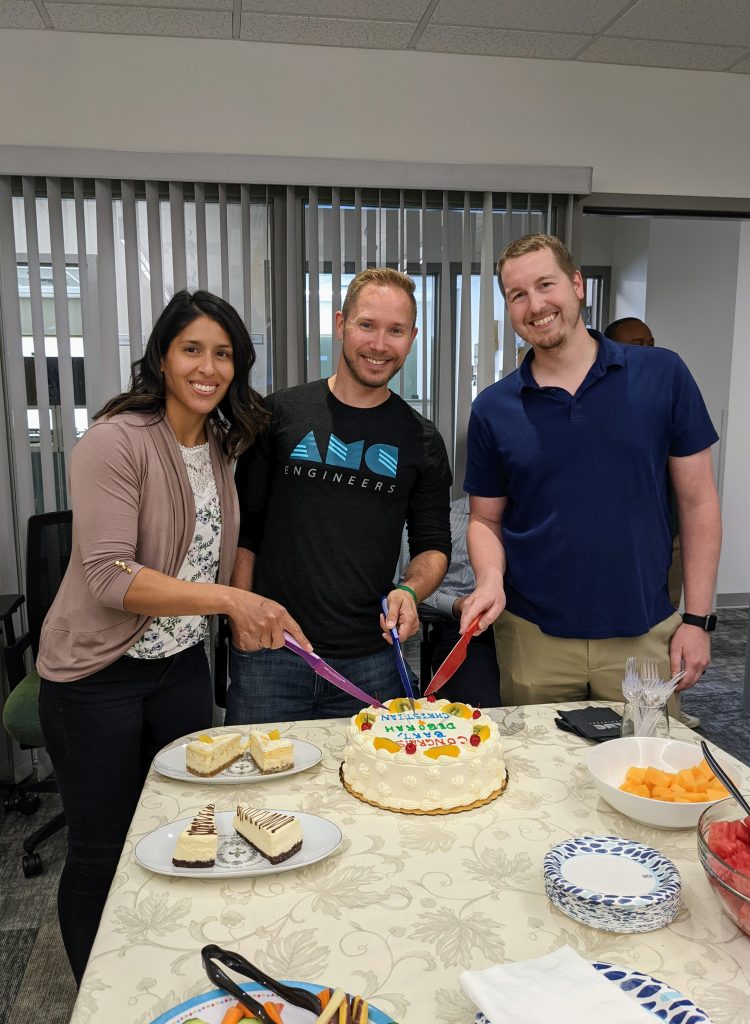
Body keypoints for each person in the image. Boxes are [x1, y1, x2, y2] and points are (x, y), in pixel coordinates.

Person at [36, 290, 310, 985]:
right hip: (96, 679)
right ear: (162, 356)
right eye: (192, 348)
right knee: (100, 851)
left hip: (180, 668)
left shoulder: (220, 442)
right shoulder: (113, 441)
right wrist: (229, 600)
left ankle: (164, 973)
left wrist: (253, 610)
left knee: (181, 835)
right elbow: (108, 575)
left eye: (223, 354)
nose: (207, 366)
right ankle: (102, 997)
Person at [460, 234, 722, 708]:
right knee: (539, 777)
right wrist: (490, 580)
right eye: (518, 295)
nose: (535, 304)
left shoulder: (663, 375)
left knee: (642, 776)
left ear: (577, 284)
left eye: (546, 284)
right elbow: (484, 520)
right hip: (532, 636)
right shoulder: (492, 408)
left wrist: (697, 619)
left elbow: (698, 501)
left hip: (644, 633)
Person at [226, 267, 452, 724]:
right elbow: (244, 530)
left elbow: (433, 545)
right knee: (258, 792)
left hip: (371, 660)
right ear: (341, 324)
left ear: (413, 337)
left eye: (396, 331)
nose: (379, 344)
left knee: (364, 791)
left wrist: (410, 589)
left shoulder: (421, 439)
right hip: (272, 651)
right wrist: (240, 621)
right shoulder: (278, 415)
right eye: (367, 325)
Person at [604, 316, 699, 730]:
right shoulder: (606, 403)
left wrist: (697, 622)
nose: (643, 351)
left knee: (664, 624)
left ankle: (666, 698)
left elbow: (696, 495)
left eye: (648, 342)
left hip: (665, 535)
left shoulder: (667, 385)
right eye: (631, 345)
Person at [421, 495, 501, 706]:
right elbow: (412, 589)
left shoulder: (537, 516)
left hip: (534, 629)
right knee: (480, 708)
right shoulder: (447, 519)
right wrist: (456, 605)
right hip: (468, 633)